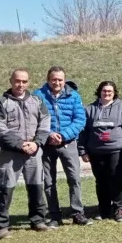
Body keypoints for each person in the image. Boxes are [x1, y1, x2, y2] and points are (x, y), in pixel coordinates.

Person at [0, 69, 51, 239]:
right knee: (5, 187)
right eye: (17, 81)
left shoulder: (37, 101)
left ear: (28, 82)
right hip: (11, 153)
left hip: (33, 152)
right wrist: (20, 144)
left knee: (36, 186)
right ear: (11, 81)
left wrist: (36, 143)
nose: (21, 85)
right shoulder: (1, 103)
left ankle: (38, 220)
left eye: (24, 81)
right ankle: (1, 226)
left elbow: (45, 124)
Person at [35, 66, 91, 228]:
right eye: (54, 79)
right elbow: (35, 119)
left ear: (64, 81)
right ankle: (54, 215)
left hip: (68, 143)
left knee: (74, 179)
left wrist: (64, 135)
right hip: (46, 144)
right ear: (48, 80)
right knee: (49, 180)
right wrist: (49, 134)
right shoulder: (38, 96)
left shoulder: (74, 96)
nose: (57, 82)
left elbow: (80, 120)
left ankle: (77, 213)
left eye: (60, 79)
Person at [79, 81, 122, 223]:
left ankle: (119, 208)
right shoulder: (90, 109)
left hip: (117, 150)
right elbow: (83, 132)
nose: (107, 93)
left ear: (114, 92)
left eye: (110, 91)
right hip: (95, 151)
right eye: (104, 91)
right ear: (100, 91)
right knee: (101, 180)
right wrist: (83, 150)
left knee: (116, 178)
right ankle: (104, 210)